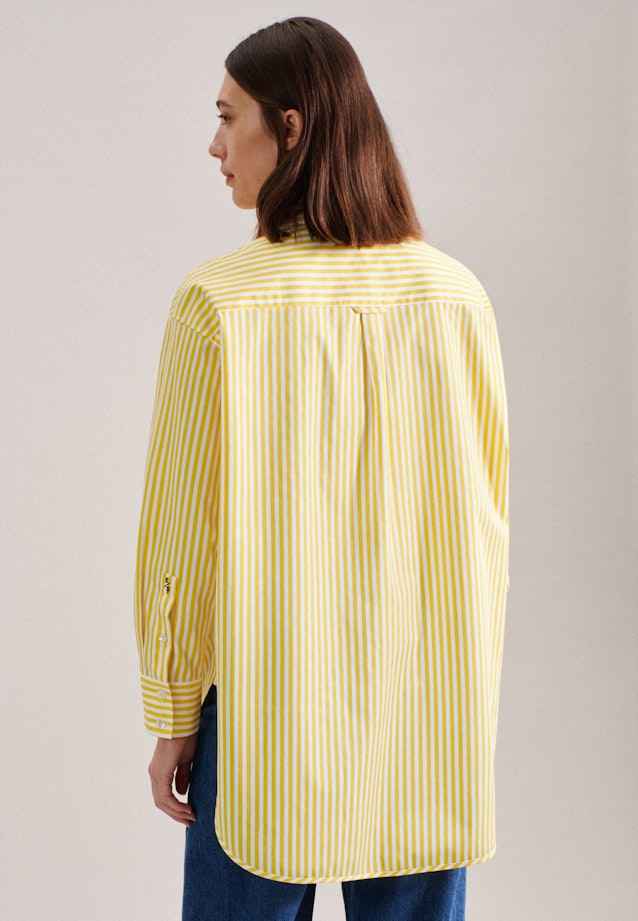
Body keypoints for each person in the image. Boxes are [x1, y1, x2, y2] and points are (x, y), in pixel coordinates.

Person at [134, 16, 509, 921]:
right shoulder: (457, 296)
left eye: (229, 117)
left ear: (291, 128)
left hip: (268, 716)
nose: (215, 145)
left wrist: (174, 712)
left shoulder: (220, 303)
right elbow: (489, 519)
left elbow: (183, 534)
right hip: (429, 714)